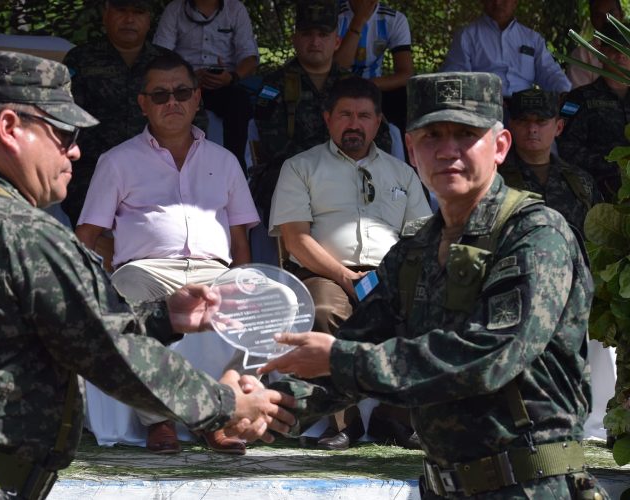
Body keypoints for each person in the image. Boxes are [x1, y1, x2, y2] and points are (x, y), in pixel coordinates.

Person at [0, 51, 294, 499]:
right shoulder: (21, 235)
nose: (75, 151)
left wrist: (164, 317)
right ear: (9, 128)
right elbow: (109, 352)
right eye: (63, 133)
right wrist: (226, 405)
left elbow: (57, 327)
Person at [260, 71, 607, 499]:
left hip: (532, 487)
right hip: (443, 487)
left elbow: (490, 355)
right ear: (411, 149)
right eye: (432, 136)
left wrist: (342, 359)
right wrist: (266, 408)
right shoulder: (415, 250)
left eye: (466, 135)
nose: (447, 151)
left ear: (500, 146)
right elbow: (357, 342)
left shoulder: (534, 234)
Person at [76, 51, 259, 456]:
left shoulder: (225, 161)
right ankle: (158, 418)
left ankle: (219, 417)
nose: (172, 102)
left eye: (181, 93)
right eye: (160, 95)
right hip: (145, 271)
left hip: (214, 270)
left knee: (250, 300)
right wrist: (81, 291)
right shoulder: (117, 161)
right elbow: (87, 234)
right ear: (143, 103)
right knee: (125, 292)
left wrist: (244, 281)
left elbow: (240, 239)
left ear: (197, 98)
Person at [269, 76, 430, 450]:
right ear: (327, 118)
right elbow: (295, 239)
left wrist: (391, 277)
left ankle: (394, 416)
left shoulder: (403, 173)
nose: (354, 124)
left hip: (390, 275)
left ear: (378, 122)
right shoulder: (300, 166)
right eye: (345, 115)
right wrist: (344, 276)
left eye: (363, 116)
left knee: (424, 306)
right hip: (323, 272)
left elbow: (420, 240)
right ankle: (345, 420)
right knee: (325, 310)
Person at [251, 0, 391, 234]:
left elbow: (381, 136)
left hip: (352, 170)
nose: (315, 42)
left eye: (323, 35)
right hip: (294, 175)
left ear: (336, 41)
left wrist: (348, 165)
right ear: (295, 40)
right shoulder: (274, 84)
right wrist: (327, 166)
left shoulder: (355, 86)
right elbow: (273, 145)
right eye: (307, 34)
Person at [62, 0, 206, 226]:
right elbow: (65, 120)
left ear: (149, 19)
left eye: (138, 12)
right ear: (106, 15)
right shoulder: (80, 59)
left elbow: (196, 117)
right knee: (93, 229)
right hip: (93, 169)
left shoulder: (169, 64)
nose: (129, 19)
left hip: (159, 170)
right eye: (121, 10)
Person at [153, 0, 258, 173]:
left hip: (224, 84)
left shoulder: (235, 9)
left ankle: (236, 168)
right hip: (184, 84)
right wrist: (188, 77)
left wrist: (231, 77)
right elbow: (160, 55)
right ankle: (181, 169)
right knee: (169, 99)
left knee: (240, 101)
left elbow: (250, 57)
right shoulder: (175, 9)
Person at [502, 88, 600, 235]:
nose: (532, 129)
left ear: (558, 127)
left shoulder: (581, 181)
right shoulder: (494, 179)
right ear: (511, 126)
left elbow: (598, 234)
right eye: (523, 121)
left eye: (541, 121)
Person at [559, 22, 630, 202]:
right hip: (596, 192)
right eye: (613, 48)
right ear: (600, 52)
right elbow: (566, 147)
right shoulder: (578, 99)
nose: (621, 55)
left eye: (627, 49)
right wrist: (613, 165)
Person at [441, 0, 571, 97]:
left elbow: (550, 73)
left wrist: (565, 94)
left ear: (515, 2)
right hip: (482, 107)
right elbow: (454, 79)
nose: (497, 2)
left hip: (524, 111)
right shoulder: (466, 36)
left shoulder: (532, 39)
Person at [333, 0, 413, 131]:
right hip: (336, 88)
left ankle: (396, 140)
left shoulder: (394, 19)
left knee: (404, 98)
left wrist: (369, 84)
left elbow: (405, 74)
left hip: (374, 88)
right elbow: (336, 69)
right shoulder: (333, 16)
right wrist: (358, 20)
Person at [567, 0, 624, 89]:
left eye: (612, 14)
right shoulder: (582, 55)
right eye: (599, 16)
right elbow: (579, 94)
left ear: (621, 15)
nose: (606, 20)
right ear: (592, 19)